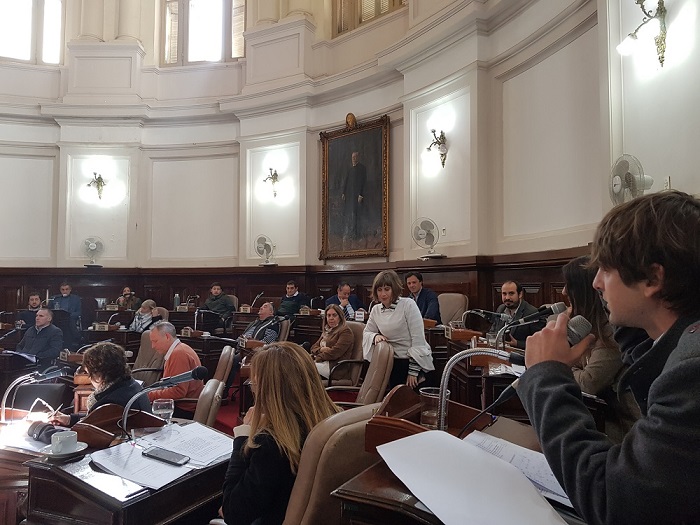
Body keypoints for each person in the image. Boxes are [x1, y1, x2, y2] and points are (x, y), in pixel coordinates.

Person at [517, 191, 700, 525]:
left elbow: (615, 501)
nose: (597, 283)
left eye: (605, 268)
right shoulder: (678, 343)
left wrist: (545, 375)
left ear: (653, 278)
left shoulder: (691, 371)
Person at [221, 341, 341, 525]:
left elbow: (233, 514)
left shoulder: (272, 442)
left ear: (266, 388)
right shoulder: (333, 420)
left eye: (254, 383)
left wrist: (242, 439)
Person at [562, 255, 640, 442]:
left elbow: (588, 383)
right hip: (601, 418)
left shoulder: (612, 329)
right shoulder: (586, 324)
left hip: (625, 430)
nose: (563, 291)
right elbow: (579, 367)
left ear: (584, 290)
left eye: (568, 285)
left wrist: (560, 365)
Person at [362, 270, 436, 389]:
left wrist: (413, 372)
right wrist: (375, 336)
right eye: (379, 290)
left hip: (412, 362)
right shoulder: (376, 310)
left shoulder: (408, 304)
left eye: (387, 289)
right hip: (389, 362)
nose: (383, 294)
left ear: (394, 289)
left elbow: (418, 340)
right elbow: (367, 332)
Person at [49, 342, 150, 427]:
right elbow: (98, 419)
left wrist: (43, 428)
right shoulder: (131, 385)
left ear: (99, 374)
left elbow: (87, 431)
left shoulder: (109, 403)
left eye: (88, 373)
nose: (89, 378)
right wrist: (69, 419)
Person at [148, 321, 204, 419]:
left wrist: (149, 395)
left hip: (183, 409)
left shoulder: (178, 354)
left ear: (167, 337)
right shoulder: (179, 349)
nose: (153, 346)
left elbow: (178, 391)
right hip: (180, 404)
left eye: (155, 341)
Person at [224, 302, 280, 397]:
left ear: (271, 312)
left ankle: (224, 392)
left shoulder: (273, 324)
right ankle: (220, 386)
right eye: (261, 306)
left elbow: (267, 343)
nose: (261, 307)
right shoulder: (255, 323)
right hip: (243, 349)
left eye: (265, 307)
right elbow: (243, 337)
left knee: (233, 360)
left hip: (256, 353)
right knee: (226, 354)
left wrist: (252, 343)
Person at [489, 280, 544, 349]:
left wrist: (517, 343)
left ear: (520, 294)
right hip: (499, 351)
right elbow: (492, 332)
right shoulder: (501, 309)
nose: (507, 297)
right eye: (504, 294)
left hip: (521, 353)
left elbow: (541, 342)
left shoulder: (532, 313)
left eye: (511, 293)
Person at [310, 304, 354, 380]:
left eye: (334, 315)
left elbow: (335, 352)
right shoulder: (327, 330)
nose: (331, 318)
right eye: (328, 315)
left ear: (340, 317)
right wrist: (321, 349)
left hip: (335, 368)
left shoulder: (345, 331)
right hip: (322, 362)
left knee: (304, 367)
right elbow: (313, 348)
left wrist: (318, 357)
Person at [341, 151, 367, 239]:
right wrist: (344, 192)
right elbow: (346, 181)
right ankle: (351, 233)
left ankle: (357, 234)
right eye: (353, 157)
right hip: (350, 195)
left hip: (358, 196)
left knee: (358, 214)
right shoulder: (350, 169)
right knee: (350, 214)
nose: (354, 159)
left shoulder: (362, 168)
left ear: (358, 158)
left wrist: (361, 194)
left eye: (355, 157)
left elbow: (363, 182)